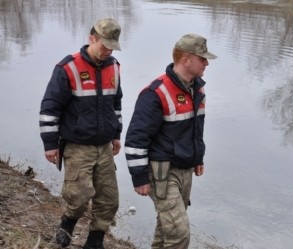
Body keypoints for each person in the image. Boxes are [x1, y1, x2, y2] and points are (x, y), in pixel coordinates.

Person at [124, 33, 216, 248]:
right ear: (186, 59)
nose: (207, 63)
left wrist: (198, 158)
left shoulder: (197, 89)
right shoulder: (156, 93)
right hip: (161, 171)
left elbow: (195, 129)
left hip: (185, 169)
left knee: (166, 228)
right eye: (202, 58)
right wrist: (139, 177)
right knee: (179, 233)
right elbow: (136, 138)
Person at [39, 17, 123, 249]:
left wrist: (116, 134)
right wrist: (50, 144)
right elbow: (49, 109)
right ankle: (68, 221)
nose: (108, 51)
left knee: (108, 200)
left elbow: (116, 105)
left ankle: (94, 241)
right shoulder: (68, 68)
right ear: (91, 39)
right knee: (78, 197)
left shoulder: (114, 67)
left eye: (112, 46)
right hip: (77, 145)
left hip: (104, 145)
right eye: (104, 45)